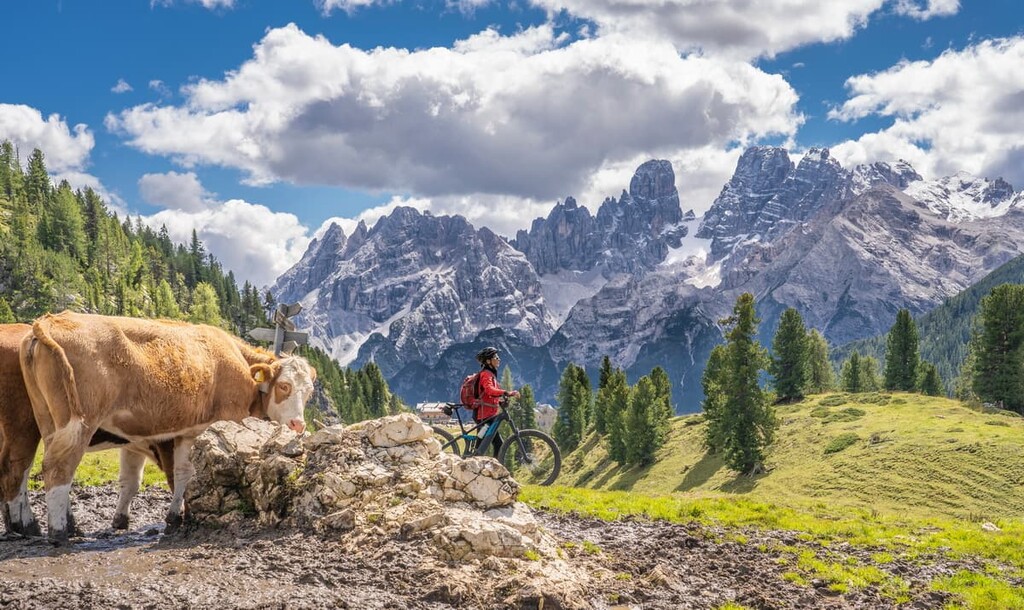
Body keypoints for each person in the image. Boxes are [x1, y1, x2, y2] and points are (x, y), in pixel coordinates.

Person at [472, 346, 519, 456]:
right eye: (496, 357)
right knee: (493, 445)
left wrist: (501, 400)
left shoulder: (490, 375)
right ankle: (472, 463)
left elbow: (490, 395)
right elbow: (489, 390)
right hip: (484, 415)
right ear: (488, 361)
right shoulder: (486, 375)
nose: (499, 359)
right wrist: (505, 392)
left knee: (494, 444)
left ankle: (478, 464)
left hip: (488, 415)